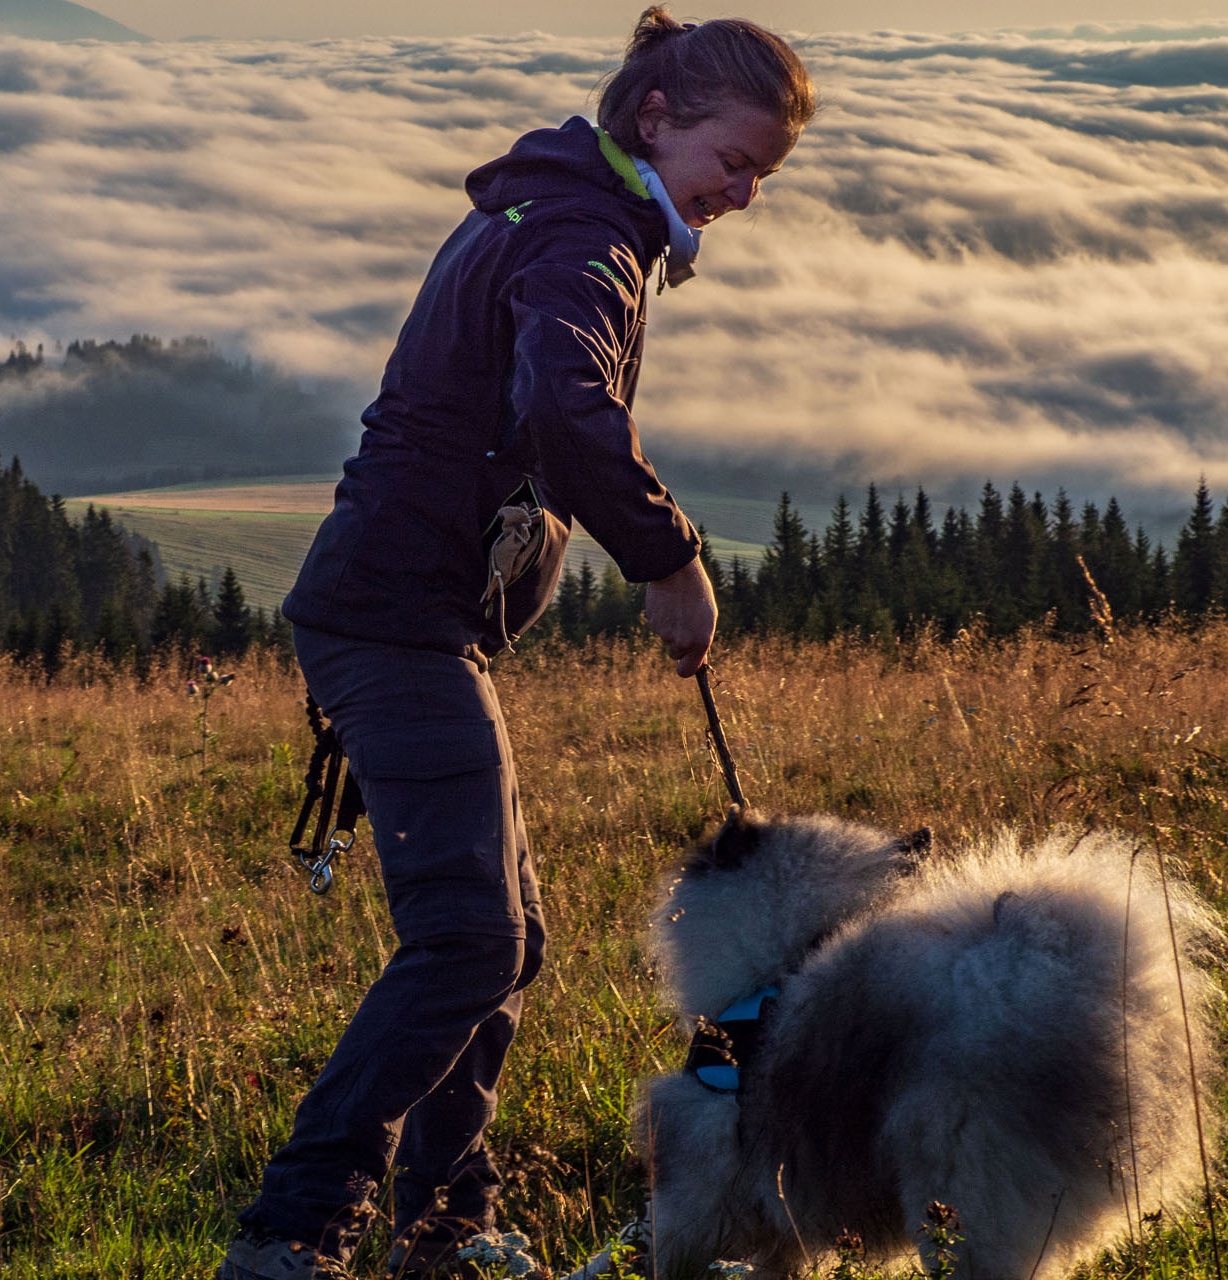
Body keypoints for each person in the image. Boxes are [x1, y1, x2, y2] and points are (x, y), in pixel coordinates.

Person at [219, 9, 815, 1278]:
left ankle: (446, 1227)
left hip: (409, 617)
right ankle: (293, 1234)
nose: (745, 190)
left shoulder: (562, 209)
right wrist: (668, 557)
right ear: (655, 118)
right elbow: (561, 403)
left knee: (504, 935)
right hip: (394, 622)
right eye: (736, 158)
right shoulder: (584, 233)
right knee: (472, 939)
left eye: (765, 174)